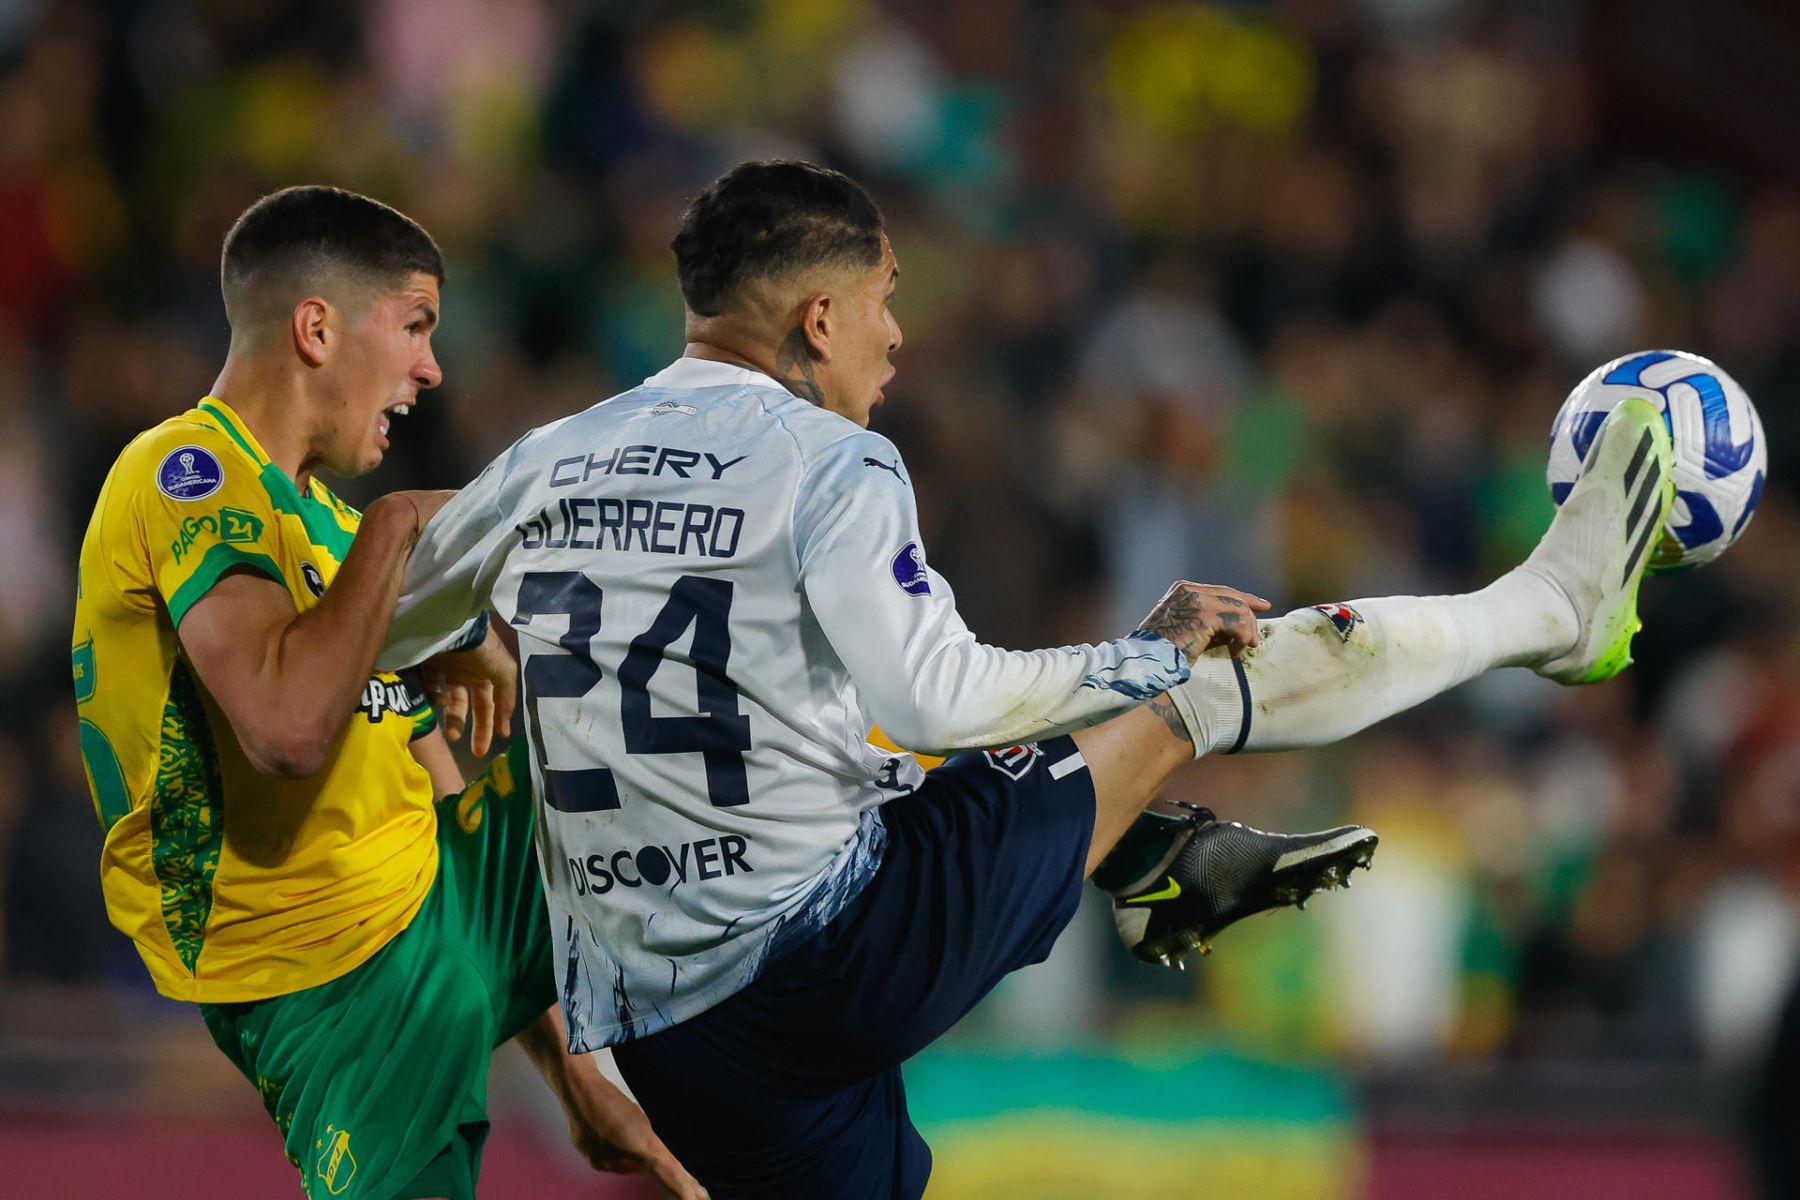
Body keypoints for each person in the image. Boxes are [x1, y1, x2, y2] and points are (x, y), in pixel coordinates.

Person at [378, 161, 1674, 1197]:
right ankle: (1548, 611)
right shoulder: (834, 467)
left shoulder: (548, 459)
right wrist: (1142, 655)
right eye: (885, 299)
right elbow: (938, 694)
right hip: (826, 966)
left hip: (660, 1033)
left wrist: (460, 649)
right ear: (816, 318)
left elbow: (385, 644)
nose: (896, 337)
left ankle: (1136, 851)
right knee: (1201, 689)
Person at [71, 185, 703, 1200]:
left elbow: (428, 777)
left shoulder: (327, 526)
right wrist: (406, 529)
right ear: (316, 329)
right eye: (413, 326)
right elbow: (286, 730)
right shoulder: (182, 470)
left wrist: (576, 1064)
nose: (430, 367)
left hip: (430, 900)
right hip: (331, 984)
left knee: (660, 732)